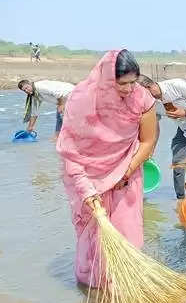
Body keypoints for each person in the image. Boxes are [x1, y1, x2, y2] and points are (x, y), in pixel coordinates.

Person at [56, 49, 158, 286]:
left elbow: (148, 140)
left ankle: (125, 286)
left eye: (134, 82)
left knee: (127, 231)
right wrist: (87, 190)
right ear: (106, 80)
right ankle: (95, 288)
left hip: (127, 173)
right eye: (122, 83)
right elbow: (70, 153)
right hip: (88, 178)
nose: (129, 89)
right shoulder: (82, 100)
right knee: (94, 236)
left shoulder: (142, 98)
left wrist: (127, 171)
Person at [137, 75, 186, 201]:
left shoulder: (176, 85)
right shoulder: (150, 104)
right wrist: (150, 152)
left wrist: (185, 112)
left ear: (149, 87)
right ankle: (181, 201)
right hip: (184, 131)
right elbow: (154, 128)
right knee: (177, 164)